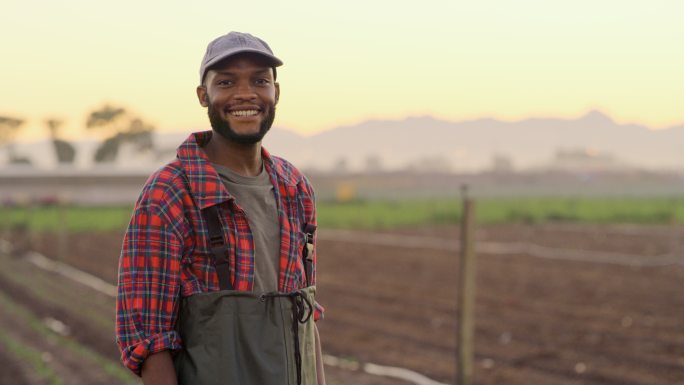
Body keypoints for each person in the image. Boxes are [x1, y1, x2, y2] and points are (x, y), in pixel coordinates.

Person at [115, 31, 326, 385]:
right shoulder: (170, 193)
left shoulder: (295, 188)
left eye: (260, 80)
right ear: (204, 95)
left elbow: (306, 319)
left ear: (276, 91)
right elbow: (150, 345)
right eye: (227, 82)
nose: (246, 93)